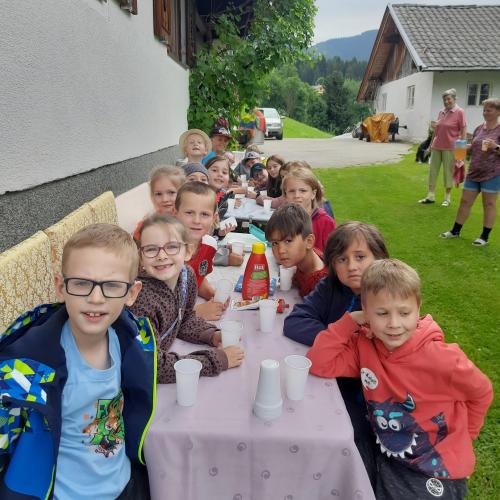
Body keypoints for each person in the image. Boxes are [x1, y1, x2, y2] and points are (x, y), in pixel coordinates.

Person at [307, 259, 493, 499]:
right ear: (365, 310)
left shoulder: (442, 358)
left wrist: (467, 436)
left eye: (404, 313)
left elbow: (481, 392)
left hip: (435, 468)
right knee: (338, 474)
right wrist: (348, 321)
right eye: (382, 313)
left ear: (418, 308)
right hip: (389, 453)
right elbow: (319, 362)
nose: (394, 324)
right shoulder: (365, 345)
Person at [0, 223, 154, 499]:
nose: (96, 298)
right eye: (82, 283)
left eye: (112, 286)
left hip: (125, 484)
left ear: (131, 293)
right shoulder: (33, 368)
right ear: (61, 287)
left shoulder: (130, 341)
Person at [283, 221, 390, 485]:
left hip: (377, 395)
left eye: (360, 257)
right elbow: (295, 321)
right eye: (342, 259)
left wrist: (341, 346)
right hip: (334, 380)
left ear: (380, 257)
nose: (352, 266)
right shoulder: (331, 288)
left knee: (359, 447)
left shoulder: (391, 294)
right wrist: (338, 339)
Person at [130, 214, 244, 383]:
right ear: (141, 256)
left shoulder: (187, 275)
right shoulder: (140, 302)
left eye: (172, 247)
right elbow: (153, 366)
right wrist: (215, 360)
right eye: (151, 249)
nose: (162, 256)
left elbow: (183, 319)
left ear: (188, 251)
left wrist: (210, 335)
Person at [174, 181, 240, 320]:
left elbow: (198, 278)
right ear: (175, 213)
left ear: (214, 218)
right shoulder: (165, 249)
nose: (197, 220)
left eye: (204, 214)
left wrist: (212, 294)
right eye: (189, 213)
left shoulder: (209, 246)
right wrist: (195, 312)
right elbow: (157, 301)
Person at [440, 97, 500, 246]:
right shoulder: (479, 128)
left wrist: (496, 147)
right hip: (474, 172)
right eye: (484, 110)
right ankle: (455, 231)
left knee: (489, 204)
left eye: (489, 110)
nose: (485, 112)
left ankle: (484, 237)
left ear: (498, 112)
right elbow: (474, 147)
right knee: (465, 201)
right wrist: (462, 147)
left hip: (492, 173)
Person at [265, 204, 327, 297]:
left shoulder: (321, 284)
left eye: (288, 241)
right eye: (275, 243)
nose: (281, 250)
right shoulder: (302, 259)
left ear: (309, 242)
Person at [419, 89, 467, 207]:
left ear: (454, 99)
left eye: (448, 99)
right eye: (444, 99)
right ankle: (430, 196)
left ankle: (447, 198)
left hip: (450, 148)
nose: (446, 101)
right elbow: (436, 130)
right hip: (436, 146)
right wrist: (430, 146)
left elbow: (464, 130)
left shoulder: (460, 111)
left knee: (448, 173)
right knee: (433, 172)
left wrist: (461, 152)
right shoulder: (441, 112)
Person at [282, 167, 336, 251]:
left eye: (303, 191)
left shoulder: (325, 222)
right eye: (292, 191)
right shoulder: (283, 219)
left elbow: (334, 255)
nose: (297, 195)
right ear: (285, 195)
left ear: (313, 194)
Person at [133, 165, 186, 241]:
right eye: (158, 194)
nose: (165, 199)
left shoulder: (188, 219)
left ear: (183, 193)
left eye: (171, 192)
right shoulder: (147, 224)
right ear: (152, 196)